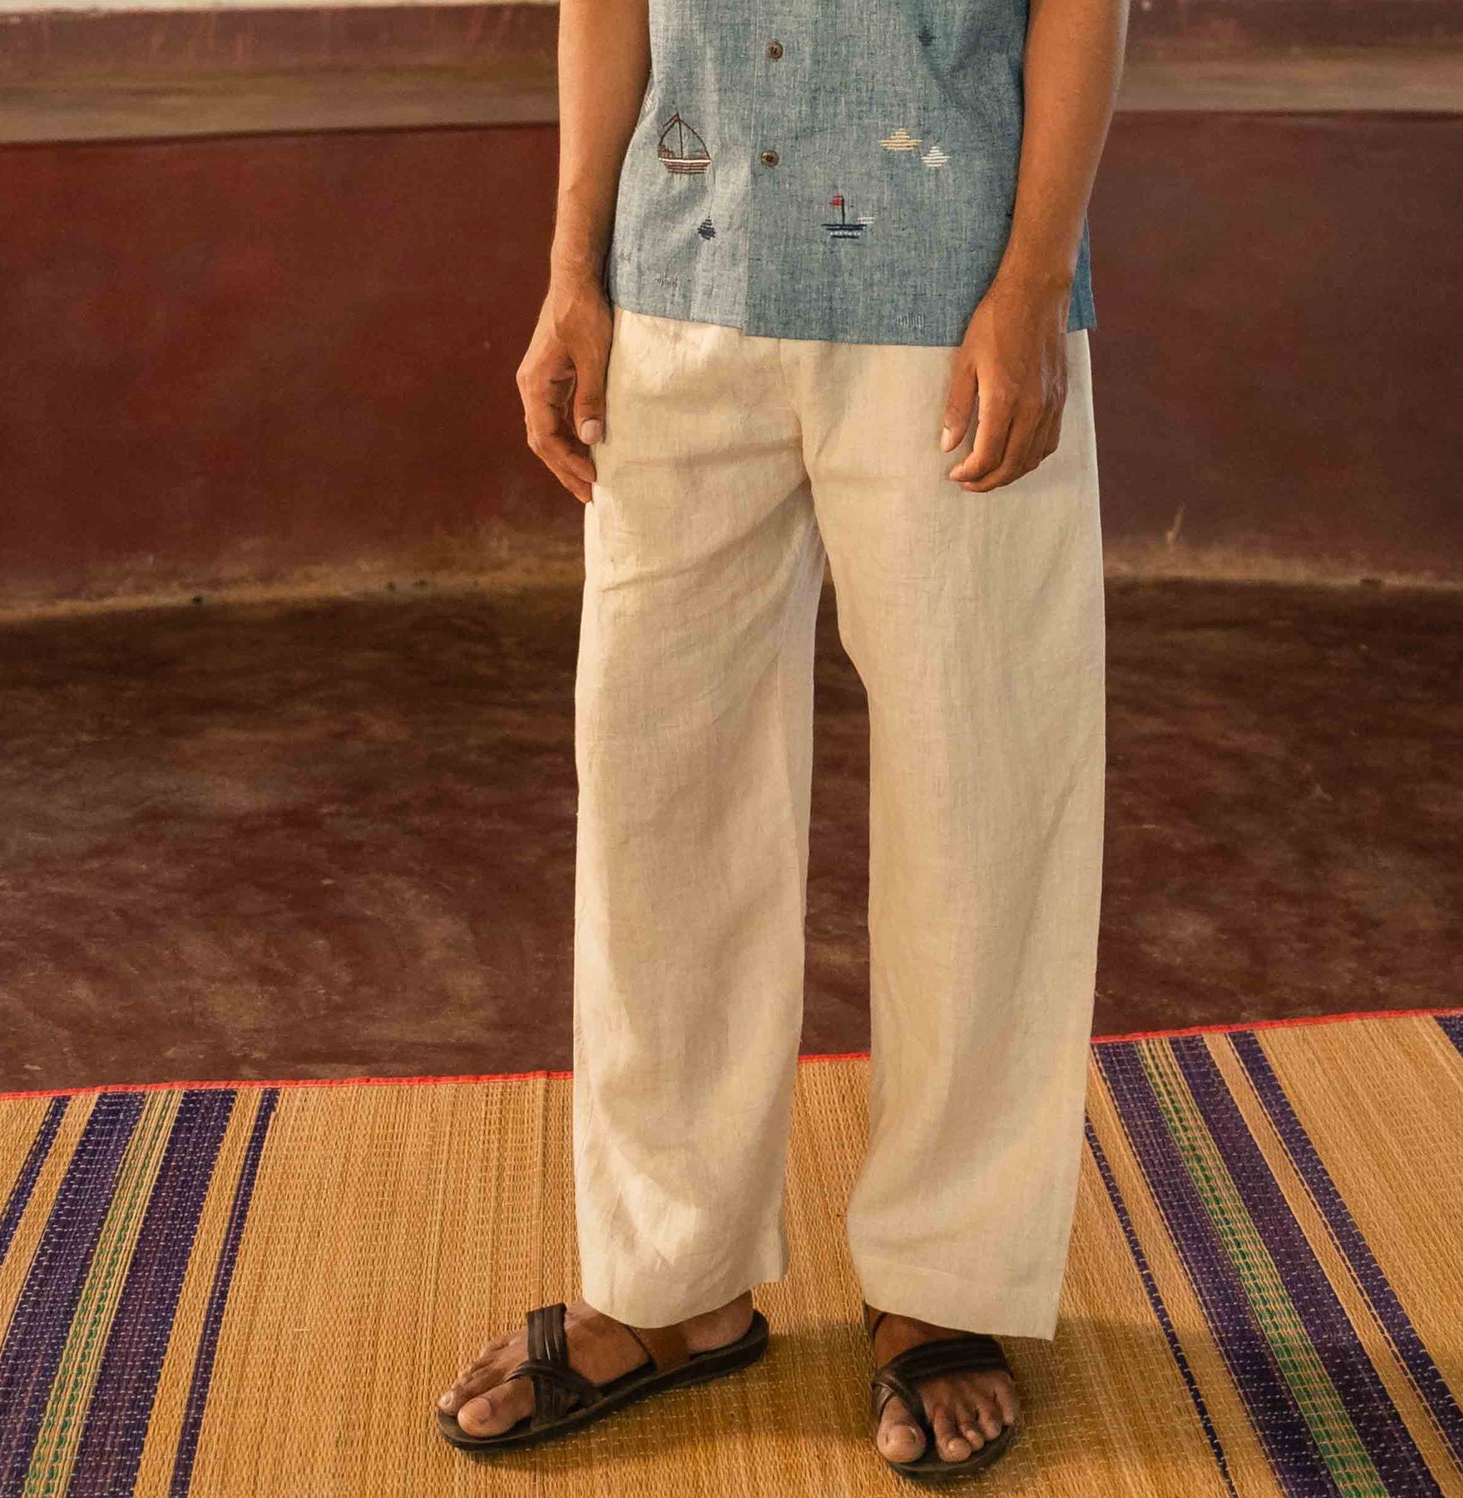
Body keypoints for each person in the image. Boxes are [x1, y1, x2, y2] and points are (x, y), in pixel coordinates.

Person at [434, 0, 1123, 1478]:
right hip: (673, 281)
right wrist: (570, 272)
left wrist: (1032, 278)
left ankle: (943, 1285)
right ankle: (669, 1284)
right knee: (655, 795)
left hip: (947, 297)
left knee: (982, 798)